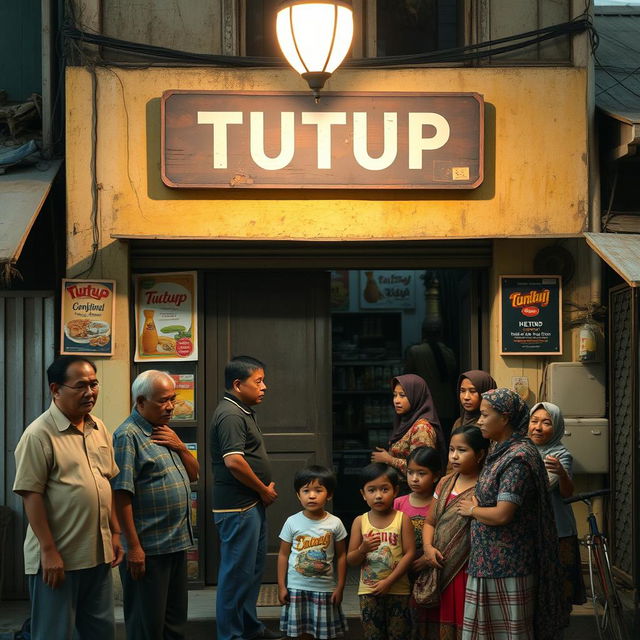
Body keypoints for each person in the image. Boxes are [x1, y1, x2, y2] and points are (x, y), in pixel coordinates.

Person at [12, 355, 123, 640]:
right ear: (55, 389)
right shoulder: (38, 435)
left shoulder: (99, 428)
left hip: (97, 555)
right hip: (59, 559)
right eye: (81, 386)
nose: (90, 392)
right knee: (54, 634)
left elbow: (105, 481)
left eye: (94, 384)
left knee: (100, 632)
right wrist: (49, 551)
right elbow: (30, 494)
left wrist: (115, 532)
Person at [457, 388, 564, 640]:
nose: (479, 420)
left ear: (504, 418)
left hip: (507, 566)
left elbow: (503, 514)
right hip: (488, 562)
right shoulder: (501, 451)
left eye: (485, 415)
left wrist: (473, 510)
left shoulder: (517, 458)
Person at [112, 370, 200, 640]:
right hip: (148, 550)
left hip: (175, 544)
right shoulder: (128, 435)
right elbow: (121, 494)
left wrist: (181, 447)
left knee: (174, 625)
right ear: (140, 402)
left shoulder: (164, 431)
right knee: (146, 626)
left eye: (173, 399)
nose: (171, 406)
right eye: (163, 401)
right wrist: (134, 548)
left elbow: (194, 474)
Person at [210, 356, 283, 640]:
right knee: (234, 577)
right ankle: (231, 636)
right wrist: (263, 489)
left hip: (249, 504)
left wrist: (261, 490)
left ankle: (250, 628)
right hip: (237, 507)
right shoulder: (230, 414)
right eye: (259, 381)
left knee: (250, 572)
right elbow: (234, 462)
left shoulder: (242, 411)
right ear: (238, 385)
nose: (264, 387)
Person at [415, 425, 490, 640]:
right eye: (451, 449)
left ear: (480, 454)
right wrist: (428, 549)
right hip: (437, 565)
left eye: (462, 450)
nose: (454, 456)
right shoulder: (445, 482)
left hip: (466, 568)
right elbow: (430, 522)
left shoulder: (486, 486)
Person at [528, 402, 586, 621]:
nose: (538, 428)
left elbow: (563, 491)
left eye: (546, 423)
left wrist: (562, 474)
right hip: (534, 528)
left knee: (558, 590)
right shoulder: (525, 449)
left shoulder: (560, 455)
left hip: (558, 531)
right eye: (534, 421)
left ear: (558, 427)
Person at [277, 465, 348, 639]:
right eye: (306, 490)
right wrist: (281, 586)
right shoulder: (292, 522)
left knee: (323, 633)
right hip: (296, 588)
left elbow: (342, 556)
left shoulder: (335, 523)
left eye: (318, 490)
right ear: (298, 495)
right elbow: (283, 555)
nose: (312, 495)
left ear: (329, 495)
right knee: (301, 632)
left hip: (324, 589)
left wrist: (340, 587)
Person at [347, 463, 415, 640]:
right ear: (363, 494)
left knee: (399, 634)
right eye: (371, 490)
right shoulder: (360, 522)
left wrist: (389, 582)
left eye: (385, 489)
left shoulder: (402, 519)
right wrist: (363, 549)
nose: (378, 495)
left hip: (398, 590)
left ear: (395, 491)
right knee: (373, 635)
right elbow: (351, 559)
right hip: (369, 592)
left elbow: (409, 554)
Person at [371, 374, 446, 473]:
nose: (396, 401)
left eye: (402, 395)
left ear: (416, 396)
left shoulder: (422, 428)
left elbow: (422, 468)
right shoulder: (406, 422)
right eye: (395, 395)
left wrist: (389, 459)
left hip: (413, 488)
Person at [393, 446, 442, 575]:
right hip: (401, 569)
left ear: (435, 476)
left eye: (421, 473)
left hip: (430, 567)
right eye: (410, 472)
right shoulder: (398, 503)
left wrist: (426, 559)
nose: (414, 478)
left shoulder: (439, 504)